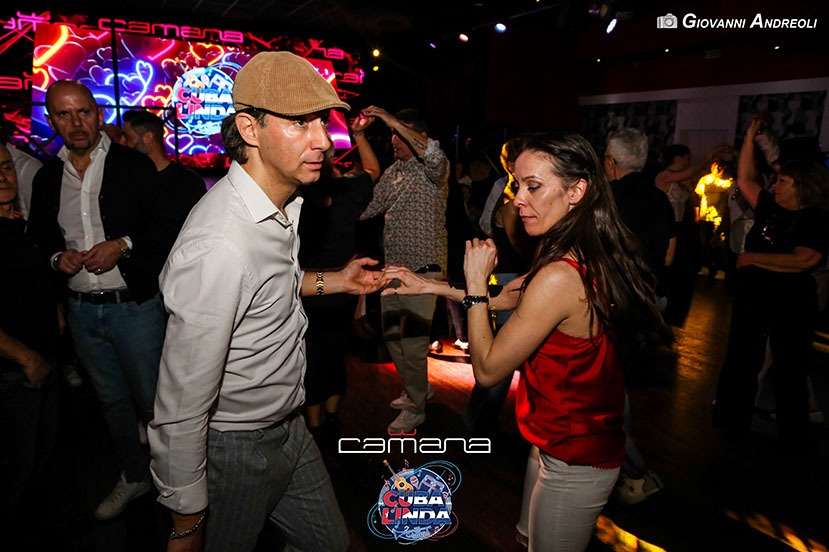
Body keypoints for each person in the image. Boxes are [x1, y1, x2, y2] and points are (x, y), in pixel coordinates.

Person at [149, 51, 386, 552]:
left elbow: (271, 285)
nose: (324, 140)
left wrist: (336, 282)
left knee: (330, 545)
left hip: (290, 426)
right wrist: (186, 517)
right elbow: (182, 400)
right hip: (237, 445)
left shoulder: (280, 206)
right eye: (301, 123)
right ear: (249, 129)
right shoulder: (219, 245)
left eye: (322, 122)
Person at [386, 133, 666, 551]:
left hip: (575, 454)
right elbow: (504, 298)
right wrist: (428, 285)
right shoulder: (574, 249)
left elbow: (488, 370)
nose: (518, 199)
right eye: (518, 185)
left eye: (533, 186)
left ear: (576, 191)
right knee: (529, 539)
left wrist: (476, 282)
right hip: (550, 440)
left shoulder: (561, 275)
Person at [26, 80, 168, 521]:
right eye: (64, 114)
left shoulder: (132, 165)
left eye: (83, 112)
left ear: (99, 114)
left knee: (155, 403)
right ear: (52, 120)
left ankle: (176, 482)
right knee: (111, 403)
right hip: (83, 314)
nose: (76, 123)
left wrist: (122, 245)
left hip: (136, 310)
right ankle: (135, 475)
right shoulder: (48, 177)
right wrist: (58, 258)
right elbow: (41, 239)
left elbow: (167, 228)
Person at [713, 116, 829, 450]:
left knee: (791, 366)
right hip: (755, 296)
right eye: (776, 180)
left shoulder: (814, 218)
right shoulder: (770, 207)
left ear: (802, 186)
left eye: (783, 181)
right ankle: (732, 421)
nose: (775, 185)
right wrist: (749, 136)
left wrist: (753, 258)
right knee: (741, 358)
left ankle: (794, 436)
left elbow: (805, 259)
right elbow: (745, 178)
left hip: (792, 300)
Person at [359, 105, 449, 434]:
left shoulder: (434, 169)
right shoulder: (393, 172)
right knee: (392, 336)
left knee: (412, 344)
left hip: (424, 272)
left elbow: (433, 154)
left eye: (400, 133)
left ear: (419, 136)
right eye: (391, 134)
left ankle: (417, 408)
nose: (393, 139)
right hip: (393, 271)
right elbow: (369, 209)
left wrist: (389, 118)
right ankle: (418, 389)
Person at [299, 113, 379, 448]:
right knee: (334, 352)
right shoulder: (348, 190)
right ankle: (332, 418)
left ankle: (316, 425)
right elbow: (372, 170)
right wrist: (359, 134)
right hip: (343, 288)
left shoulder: (297, 198)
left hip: (311, 287)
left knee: (312, 356)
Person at [0, 142, 59, 538]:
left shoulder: (17, 223)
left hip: (43, 362)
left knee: (41, 458)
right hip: (12, 372)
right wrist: (25, 358)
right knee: (14, 471)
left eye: (6, 167)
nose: (2, 176)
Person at [120, 109, 206, 252]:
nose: (122, 142)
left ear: (148, 138)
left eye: (127, 137)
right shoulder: (127, 180)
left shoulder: (188, 181)